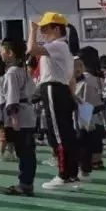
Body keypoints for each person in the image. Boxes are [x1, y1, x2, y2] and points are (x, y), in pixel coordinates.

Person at [27, 12, 79, 191]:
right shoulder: (65, 48)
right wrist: (72, 96)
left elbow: (31, 50)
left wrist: (32, 31)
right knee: (66, 132)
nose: (42, 31)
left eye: (45, 28)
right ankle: (71, 174)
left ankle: (64, 175)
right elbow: (71, 79)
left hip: (52, 89)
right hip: (61, 90)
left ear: (57, 28)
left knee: (57, 133)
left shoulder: (56, 45)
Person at [1, 37, 37, 195]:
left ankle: (24, 184)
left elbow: (12, 96)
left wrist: (14, 118)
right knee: (28, 151)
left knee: (24, 152)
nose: (1, 53)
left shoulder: (12, 72)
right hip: (28, 112)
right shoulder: (24, 70)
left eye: (2, 50)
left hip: (20, 115)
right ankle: (27, 182)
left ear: (9, 53)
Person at [75, 46, 105, 178]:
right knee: (97, 137)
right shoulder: (98, 77)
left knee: (83, 139)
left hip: (86, 111)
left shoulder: (84, 77)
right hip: (98, 110)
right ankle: (97, 161)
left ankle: (85, 165)